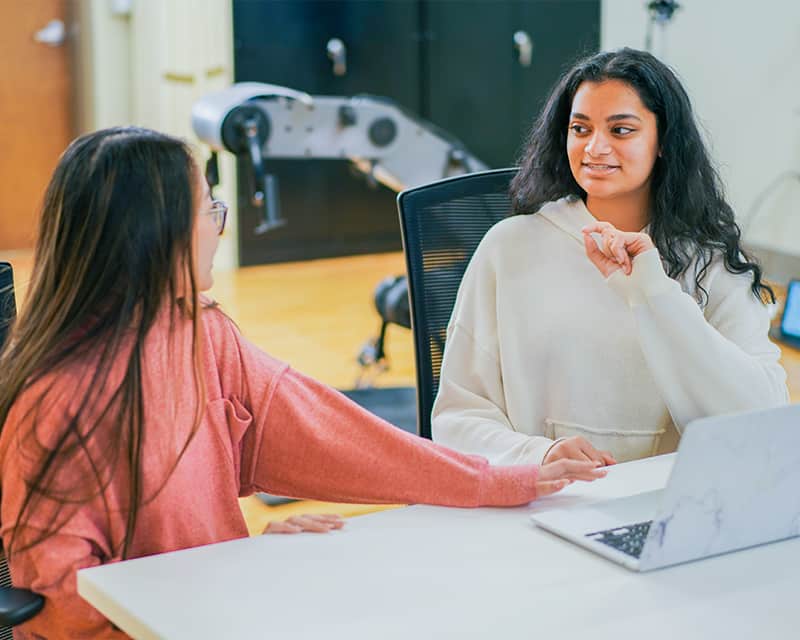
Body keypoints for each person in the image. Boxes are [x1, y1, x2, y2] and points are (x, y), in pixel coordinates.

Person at [0, 127, 605, 638]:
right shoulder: (55, 400)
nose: (220, 227)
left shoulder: (202, 334)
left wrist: (499, 481)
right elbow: (58, 605)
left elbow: (339, 438)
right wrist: (234, 577)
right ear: (153, 236)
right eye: (209, 208)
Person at [431, 47, 789, 467]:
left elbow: (761, 417)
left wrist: (654, 293)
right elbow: (458, 415)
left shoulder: (710, 262)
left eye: (621, 131)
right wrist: (538, 455)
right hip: (540, 500)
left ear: (663, 142)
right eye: (580, 129)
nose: (594, 147)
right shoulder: (508, 248)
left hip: (667, 504)